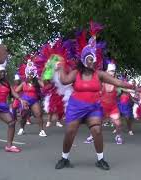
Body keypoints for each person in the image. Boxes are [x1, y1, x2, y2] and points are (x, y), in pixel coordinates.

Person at [54, 42, 136, 171]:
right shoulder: (76, 73)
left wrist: (131, 86)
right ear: (84, 60)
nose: (92, 62)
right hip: (76, 107)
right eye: (89, 59)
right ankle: (64, 158)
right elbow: (64, 80)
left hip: (93, 108)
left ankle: (100, 159)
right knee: (70, 131)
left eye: (93, 59)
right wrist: (60, 69)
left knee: (97, 131)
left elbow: (117, 82)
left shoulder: (100, 74)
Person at [84, 62, 124, 145]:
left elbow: (125, 88)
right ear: (106, 72)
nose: (112, 73)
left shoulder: (117, 82)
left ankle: (118, 136)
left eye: (113, 71)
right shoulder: (101, 82)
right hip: (102, 107)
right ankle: (92, 136)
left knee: (118, 123)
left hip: (113, 107)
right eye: (110, 71)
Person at [16, 60, 47, 137]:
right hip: (25, 101)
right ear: (26, 74)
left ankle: (42, 130)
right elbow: (16, 90)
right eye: (29, 74)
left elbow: (44, 86)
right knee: (23, 115)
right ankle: (22, 129)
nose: (30, 75)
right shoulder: (24, 83)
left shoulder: (37, 82)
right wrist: (20, 99)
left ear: (34, 74)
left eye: (31, 74)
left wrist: (41, 78)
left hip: (34, 101)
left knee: (39, 114)